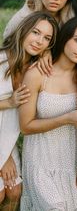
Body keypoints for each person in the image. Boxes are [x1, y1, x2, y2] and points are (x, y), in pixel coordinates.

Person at [19, 16, 77, 211]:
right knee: (57, 207)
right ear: (65, 38)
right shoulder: (37, 74)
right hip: (40, 159)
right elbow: (25, 126)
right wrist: (66, 119)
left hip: (72, 158)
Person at [0, 12, 58, 211]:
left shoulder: (34, 67)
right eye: (36, 32)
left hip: (7, 136)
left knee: (15, 191)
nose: (40, 41)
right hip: (2, 141)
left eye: (47, 38)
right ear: (24, 30)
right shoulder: (1, 60)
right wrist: (9, 102)